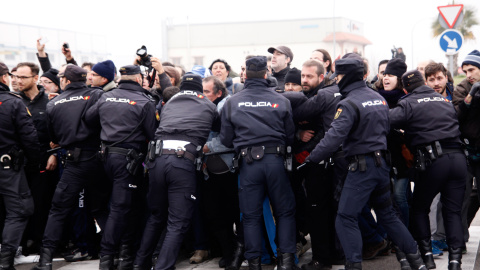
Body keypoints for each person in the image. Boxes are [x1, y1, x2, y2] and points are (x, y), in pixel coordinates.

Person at [304, 57, 425, 270]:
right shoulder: (377, 98)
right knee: (387, 215)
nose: (337, 80)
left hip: (362, 168)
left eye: (339, 76)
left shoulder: (348, 103)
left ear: (346, 76)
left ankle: (353, 266)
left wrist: (310, 160)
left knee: (345, 217)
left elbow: (333, 137)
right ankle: (416, 260)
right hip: (381, 166)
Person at [133, 73, 219, 270]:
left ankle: (140, 264)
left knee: (156, 216)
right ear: (199, 88)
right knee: (178, 221)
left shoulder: (169, 103)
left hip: (156, 160)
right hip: (182, 161)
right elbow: (220, 128)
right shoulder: (208, 104)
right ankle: (163, 267)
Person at [220, 56, 298, 270]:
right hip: (276, 161)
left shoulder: (233, 102)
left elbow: (226, 139)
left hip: (247, 164)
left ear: (245, 75)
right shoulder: (281, 100)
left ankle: (254, 263)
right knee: (284, 212)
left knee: (251, 216)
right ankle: (287, 262)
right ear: (266, 74)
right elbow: (290, 135)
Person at [32, 65, 111, 270]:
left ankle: (45, 261)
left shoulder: (54, 103)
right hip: (99, 160)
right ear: (84, 79)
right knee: (102, 208)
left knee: (58, 210)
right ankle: (111, 257)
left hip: (74, 162)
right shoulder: (98, 95)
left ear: (66, 81)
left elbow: (54, 138)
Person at [390, 70, 467, 270]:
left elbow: (386, 120)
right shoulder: (444, 100)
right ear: (424, 82)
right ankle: (455, 262)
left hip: (433, 161)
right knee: (453, 212)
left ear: (405, 88)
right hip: (458, 160)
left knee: (419, 208)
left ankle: (427, 257)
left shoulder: (407, 102)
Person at [85, 65, 158, 269]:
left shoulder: (105, 96)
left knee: (122, 208)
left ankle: (125, 254)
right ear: (138, 79)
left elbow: (89, 120)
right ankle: (108, 258)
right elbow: (153, 135)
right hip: (128, 161)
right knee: (121, 208)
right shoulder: (145, 101)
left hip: (104, 157)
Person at [0, 62, 40, 269]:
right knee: (19, 210)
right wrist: (34, 163)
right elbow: (30, 138)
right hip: (8, 169)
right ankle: (6, 260)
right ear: (4, 78)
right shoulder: (12, 103)